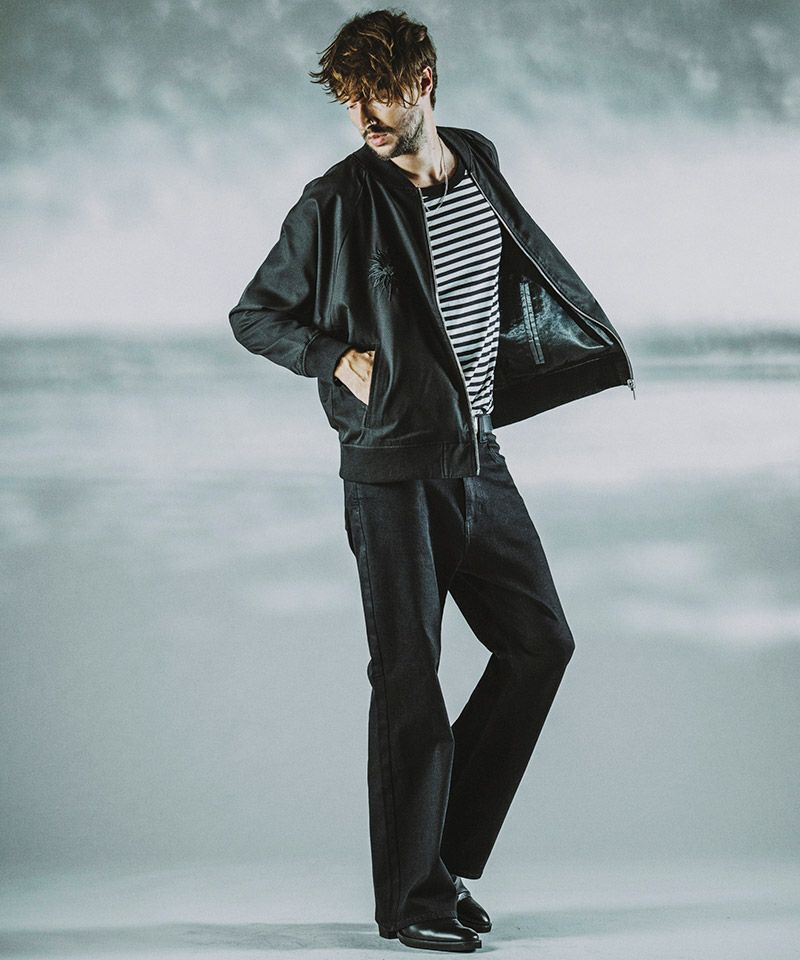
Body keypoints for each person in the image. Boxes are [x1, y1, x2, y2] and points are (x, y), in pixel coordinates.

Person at [229, 9, 636, 953]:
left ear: (424, 82)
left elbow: (506, 279)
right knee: (410, 675)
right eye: (349, 100)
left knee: (540, 642)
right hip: (390, 466)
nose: (365, 116)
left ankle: (439, 860)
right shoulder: (336, 199)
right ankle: (413, 901)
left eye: (379, 93)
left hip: (474, 452)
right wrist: (333, 356)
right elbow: (255, 313)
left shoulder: (478, 160)